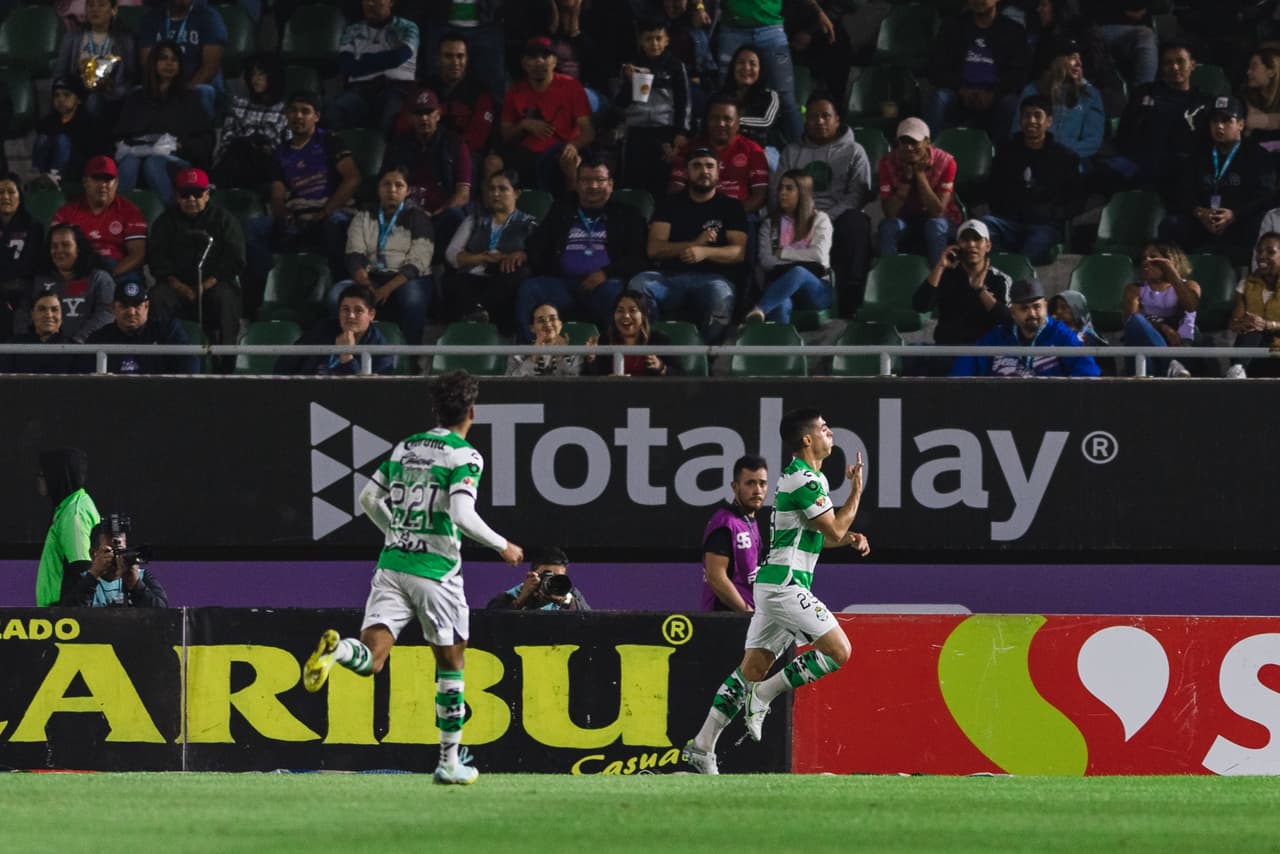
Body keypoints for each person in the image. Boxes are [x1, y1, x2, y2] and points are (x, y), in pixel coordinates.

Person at [303, 371, 525, 786]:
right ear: (471, 413)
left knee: (373, 659)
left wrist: (394, 532)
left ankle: (337, 653)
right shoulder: (465, 456)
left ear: (436, 410)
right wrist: (502, 545)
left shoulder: (407, 446)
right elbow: (461, 515)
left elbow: (368, 498)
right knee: (451, 662)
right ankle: (448, 761)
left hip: (392, 565)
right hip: (436, 574)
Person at [682, 409, 869, 774]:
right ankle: (765, 694)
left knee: (750, 668)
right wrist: (857, 492)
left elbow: (819, 538)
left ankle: (702, 746)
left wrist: (849, 539)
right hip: (785, 586)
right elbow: (831, 531)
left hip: (774, 584)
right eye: (824, 428)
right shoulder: (805, 481)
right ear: (806, 439)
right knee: (838, 651)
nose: (830, 431)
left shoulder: (810, 479)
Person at [244, 91, 361, 317]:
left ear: (316, 116)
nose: (298, 116)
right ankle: (266, 289)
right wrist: (282, 215)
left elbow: (353, 178)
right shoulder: (281, 152)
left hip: (331, 214)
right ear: (286, 115)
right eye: (293, 111)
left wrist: (326, 212)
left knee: (335, 224)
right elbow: (277, 194)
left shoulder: (329, 141)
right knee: (253, 229)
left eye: (305, 111)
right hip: (299, 217)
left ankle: (341, 291)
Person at [518, 159, 649, 341]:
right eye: (586, 180)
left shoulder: (628, 215)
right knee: (530, 288)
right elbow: (537, 244)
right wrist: (526, 254)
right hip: (562, 283)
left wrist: (605, 273)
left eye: (600, 180)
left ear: (610, 184)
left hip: (605, 284)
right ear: (578, 184)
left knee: (617, 293)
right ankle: (530, 355)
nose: (593, 186)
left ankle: (610, 356)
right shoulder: (561, 210)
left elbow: (638, 258)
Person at [631, 148, 746, 344]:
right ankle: (653, 346)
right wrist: (693, 244)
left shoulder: (731, 207)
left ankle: (703, 357)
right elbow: (654, 248)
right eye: (697, 166)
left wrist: (704, 251)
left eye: (710, 166)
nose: (704, 171)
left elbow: (738, 252)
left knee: (721, 295)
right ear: (686, 172)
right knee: (639, 284)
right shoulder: (670, 204)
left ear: (719, 171)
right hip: (670, 278)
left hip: (714, 279)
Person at [773, 92, 872, 312]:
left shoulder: (854, 151)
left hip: (837, 218)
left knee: (856, 222)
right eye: (813, 116)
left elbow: (857, 196)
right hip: (798, 217)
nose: (819, 121)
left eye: (825, 116)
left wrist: (823, 219)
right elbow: (778, 191)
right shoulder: (792, 152)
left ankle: (852, 295)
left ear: (837, 119)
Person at [146, 167, 245, 363]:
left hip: (214, 284)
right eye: (185, 195)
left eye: (197, 194)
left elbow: (236, 259)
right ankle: (161, 362)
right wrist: (180, 286)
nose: (191, 199)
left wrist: (205, 285)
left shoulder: (224, 219)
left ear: (207, 195)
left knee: (226, 299)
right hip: (176, 287)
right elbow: (157, 260)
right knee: (158, 297)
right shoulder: (165, 222)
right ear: (177, 196)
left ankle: (225, 365)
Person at [329, 165, 435, 346]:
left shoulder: (419, 218)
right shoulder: (363, 217)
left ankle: (411, 355)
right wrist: (365, 283)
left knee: (412, 300)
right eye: (386, 184)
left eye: (398, 185)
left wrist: (387, 289)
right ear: (378, 189)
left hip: (407, 278)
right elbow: (354, 254)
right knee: (336, 295)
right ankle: (344, 349)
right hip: (370, 277)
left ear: (407, 190)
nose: (392, 190)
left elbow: (419, 260)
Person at [1160, 96, 1275, 260]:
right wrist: (1199, 212)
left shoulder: (1258, 156)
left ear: (1241, 124)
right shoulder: (1198, 154)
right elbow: (1182, 192)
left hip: (1238, 222)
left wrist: (1234, 214)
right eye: (1215, 121)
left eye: (1227, 120)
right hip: (1203, 222)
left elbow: (1265, 197)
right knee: (1171, 225)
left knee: (1257, 227)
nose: (1219, 126)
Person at [112, 39, 215, 207]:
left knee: (154, 162)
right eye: (164, 58)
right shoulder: (137, 97)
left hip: (174, 159)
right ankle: (119, 216)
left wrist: (180, 145)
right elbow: (120, 135)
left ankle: (177, 212)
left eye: (174, 60)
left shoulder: (190, 98)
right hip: (137, 155)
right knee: (128, 163)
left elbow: (206, 142)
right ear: (154, 63)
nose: (169, 63)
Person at [982, 95, 1082, 265]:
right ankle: (994, 271)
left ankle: (1014, 279)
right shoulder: (1006, 153)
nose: (1031, 120)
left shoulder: (1065, 157)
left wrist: (1050, 213)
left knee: (1036, 244)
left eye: (1037, 115)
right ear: (1020, 120)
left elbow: (1075, 200)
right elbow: (993, 191)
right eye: (1026, 115)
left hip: (1044, 226)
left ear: (1049, 121)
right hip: (1009, 223)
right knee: (984, 226)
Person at [490, 37, 595, 193]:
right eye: (532, 57)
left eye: (545, 56)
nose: (539, 61)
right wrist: (524, 125)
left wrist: (573, 145)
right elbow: (506, 136)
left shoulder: (571, 86)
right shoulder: (514, 91)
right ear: (524, 63)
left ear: (554, 61)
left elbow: (588, 132)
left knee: (572, 161)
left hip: (560, 151)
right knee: (492, 162)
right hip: (525, 154)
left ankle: (571, 209)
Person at [442, 169, 537, 336]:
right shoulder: (475, 219)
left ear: (516, 193)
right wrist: (480, 257)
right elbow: (452, 254)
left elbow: (535, 255)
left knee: (520, 274)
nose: (496, 194)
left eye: (502, 189)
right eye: (492, 189)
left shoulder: (528, 224)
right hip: (472, 277)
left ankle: (481, 312)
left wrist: (521, 255)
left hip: (503, 281)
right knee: (454, 282)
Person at [1107, 40, 1211, 190]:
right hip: (1137, 164)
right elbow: (1125, 131)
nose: (1174, 67)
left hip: (1177, 172)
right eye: (1168, 63)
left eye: (1180, 61)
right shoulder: (1145, 93)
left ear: (1193, 65)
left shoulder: (1202, 102)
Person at [912, 219, 1013, 367]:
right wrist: (940, 266)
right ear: (957, 245)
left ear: (988, 245)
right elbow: (920, 305)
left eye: (977, 239)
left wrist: (980, 290)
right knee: (913, 354)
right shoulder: (945, 275)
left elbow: (1006, 321)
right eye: (965, 240)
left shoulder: (1000, 279)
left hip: (984, 352)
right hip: (947, 350)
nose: (971, 245)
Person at [383, 88, 471, 258]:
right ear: (409, 117)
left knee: (455, 215)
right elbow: (386, 185)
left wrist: (436, 214)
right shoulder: (398, 145)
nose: (424, 118)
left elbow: (463, 194)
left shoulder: (454, 143)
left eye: (429, 112)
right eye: (418, 113)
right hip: (406, 213)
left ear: (438, 114)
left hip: (440, 215)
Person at [951, 278, 1102, 377]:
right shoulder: (998, 336)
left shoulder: (1062, 336)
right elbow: (962, 373)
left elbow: (1088, 377)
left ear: (1045, 306)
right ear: (1013, 312)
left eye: (1037, 307)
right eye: (1024, 308)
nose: (1032, 313)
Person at [923, 0, 1029, 140]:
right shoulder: (952, 26)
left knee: (1011, 104)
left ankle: (1003, 155)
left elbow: (1019, 74)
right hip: (959, 93)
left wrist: (994, 93)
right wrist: (961, 89)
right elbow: (935, 68)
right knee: (940, 98)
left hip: (996, 96)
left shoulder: (1013, 30)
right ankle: (930, 154)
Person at [716, 0, 818, 141]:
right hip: (732, 29)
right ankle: (720, 154)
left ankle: (802, 155)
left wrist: (820, 13)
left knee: (786, 97)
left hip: (771, 30)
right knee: (725, 94)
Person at [616, 19, 693, 198]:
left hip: (663, 130)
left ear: (667, 40)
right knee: (634, 180)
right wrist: (630, 82)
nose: (654, 44)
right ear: (641, 41)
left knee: (661, 181)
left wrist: (681, 131)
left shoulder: (675, 66)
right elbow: (621, 103)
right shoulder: (631, 65)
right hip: (637, 130)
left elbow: (684, 101)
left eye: (659, 38)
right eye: (649, 39)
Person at [744, 170, 832, 325]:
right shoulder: (770, 224)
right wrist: (802, 257)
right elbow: (766, 261)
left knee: (798, 272)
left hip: (815, 289)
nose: (782, 193)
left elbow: (818, 256)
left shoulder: (820, 220)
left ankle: (759, 310)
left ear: (803, 192)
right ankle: (783, 347)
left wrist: (783, 253)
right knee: (780, 305)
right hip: (779, 286)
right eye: (780, 188)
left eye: (789, 188)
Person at [878, 117, 963, 266]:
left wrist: (920, 175)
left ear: (927, 142)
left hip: (943, 220)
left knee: (934, 225)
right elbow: (890, 213)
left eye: (914, 142)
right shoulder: (886, 163)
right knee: (888, 226)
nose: (909, 147)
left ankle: (939, 281)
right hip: (906, 219)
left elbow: (937, 212)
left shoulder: (947, 162)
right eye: (904, 142)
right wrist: (906, 179)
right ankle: (889, 277)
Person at [52, 155, 148, 286]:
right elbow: (56, 250)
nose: (103, 185)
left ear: (117, 183)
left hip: (117, 270)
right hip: (79, 268)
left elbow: (137, 253)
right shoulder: (66, 213)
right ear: (85, 182)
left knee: (132, 286)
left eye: (108, 179)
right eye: (97, 179)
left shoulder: (130, 211)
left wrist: (106, 277)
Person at [669, 95, 769, 216]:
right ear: (706, 121)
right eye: (714, 118)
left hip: (738, 215)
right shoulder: (689, 148)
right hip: (695, 215)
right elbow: (675, 189)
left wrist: (728, 216)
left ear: (737, 124)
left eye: (727, 119)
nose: (721, 124)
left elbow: (759, 197)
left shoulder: (753, 150)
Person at [331, 0, 419, 134]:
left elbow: (398, 58)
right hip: (360, 91)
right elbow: (347, 66)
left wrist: (362, 60)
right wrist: (385, 58)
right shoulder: (352, 29)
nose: (370, 4)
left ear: (391, 2)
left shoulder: (407, 27)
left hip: (395, 89)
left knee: (389, 112)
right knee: (336, 109)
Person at [274, 283, 395, 376]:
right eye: (345, 309)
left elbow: (366, 395)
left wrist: (347, 357)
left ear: (371, 314)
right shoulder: (322, 329)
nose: (351, 316)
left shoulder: (380, 350)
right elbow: (284, 366)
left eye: (358, 310)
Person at [1016, 38, 1106, 162]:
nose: (1079, 64)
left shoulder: (1090, 94)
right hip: (1033, 158)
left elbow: (1092, 141)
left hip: (1071, 160)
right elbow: (1018, 130)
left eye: (1080, 59)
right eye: (1073, 58)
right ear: (1057, 61)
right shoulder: (1032, 90)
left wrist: (1061, 155)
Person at [81, 280, 199, 375]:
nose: (131, 312)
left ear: (147, 306)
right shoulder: (99, 338)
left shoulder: (168, 331)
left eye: (137, 305)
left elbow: (189, 370)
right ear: (113, 308)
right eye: (124, 305)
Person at [700, 453, 769, 613]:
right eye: (750, 483)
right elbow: (715, 577)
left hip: (745, 618)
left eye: (762, 483)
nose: (757, 490)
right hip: (724, 620)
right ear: (735, 486)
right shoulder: (725, 523)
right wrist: (746, 612)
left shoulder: (749, 522)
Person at [414, 32, 497, 165]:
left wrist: (448, 152)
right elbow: (407, 123)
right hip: (426, 151)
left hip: (466, 156)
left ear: (467, 58)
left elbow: (478, 136)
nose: (455, 62)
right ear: (438, 58)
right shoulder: (424, 88)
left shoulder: (481, 92)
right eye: (448, 56)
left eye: (460, 56)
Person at [1121, 241, 1201, 377]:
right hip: (1144, 353)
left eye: (1153, 257)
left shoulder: (1190, 286)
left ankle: (1173, 365)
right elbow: (1131, 321)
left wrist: (1171, 273)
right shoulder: (1134, 289)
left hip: (1179, 347)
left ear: (1170, 261)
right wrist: (1163, 327)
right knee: (1136, 321)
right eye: (1144, 258)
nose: (1146, 261)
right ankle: (1170, 363)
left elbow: (1191, 306)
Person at [137, 0, 227, 119]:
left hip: (197, 85)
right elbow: (147, 63)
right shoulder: (151, 18)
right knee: (137, 93)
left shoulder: (208, 17)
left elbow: (210, 67)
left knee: (204, 92)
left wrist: (181, 92)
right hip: (161, 83)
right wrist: (162, 88)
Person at [211, 55, 289, 190]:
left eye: (261, 75)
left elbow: (289, 145)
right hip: (239, 157)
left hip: (267, 162)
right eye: (253, 74)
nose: (256, 79)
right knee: (240, 147)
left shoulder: (285, 110)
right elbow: (227, 139)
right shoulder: (239, 104)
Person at [35, 448, 100, 607]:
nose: (39, 480)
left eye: (43, 475)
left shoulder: (74, 514)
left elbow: (82, 569)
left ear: (58, 477)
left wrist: (69, 614)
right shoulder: (67, 508)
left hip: (65, 616)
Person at [53, 0, 139, 121]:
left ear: (113, 10)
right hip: (77, 97)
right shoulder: (72, 38)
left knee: (95, 100)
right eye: (91, 5)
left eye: (101, 5)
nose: (95, 9)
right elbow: (60, 75)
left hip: (114, 100)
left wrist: (113, 89)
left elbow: (132, 80)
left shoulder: (126, 41)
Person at [30, 223, 115, 344]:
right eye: (54, 246)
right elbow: (25, 314)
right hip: (44, 349)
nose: (59, 250)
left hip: (87, 351)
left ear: (78, 248)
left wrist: (77, 341)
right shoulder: (40, 281)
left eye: (65, 245)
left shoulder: (99, 279)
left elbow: (106, 314)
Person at [62, 518, 168, 607]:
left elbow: (163, 614)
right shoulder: (79, 577)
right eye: (108, 551)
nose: (116, 557)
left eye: (121, 550)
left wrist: (135, 584)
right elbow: (65, 615)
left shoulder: (142, 576)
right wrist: (93, 575)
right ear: (93, 553)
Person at [583, 289, 681, 376]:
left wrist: (661, 367)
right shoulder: (603, 341)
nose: (626, 316)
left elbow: (681, 376)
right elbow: (587, 381)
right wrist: (591, 359)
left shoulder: (660, 341)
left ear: (643, 315)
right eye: (620, 311)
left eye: (632, 310)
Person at [33, 77, 107, 184]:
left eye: (66, 95)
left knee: (62, 139)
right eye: (57, 95)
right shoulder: (47, 122)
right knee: (42, 139)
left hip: (75, 173)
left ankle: (55, 179)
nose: (61, 99)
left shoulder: (89, 123)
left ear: (79, 99)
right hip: (47, 170)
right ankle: (39, 178)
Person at [1228, 231, 1280, 378]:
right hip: (1257, 353)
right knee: (1252, 327)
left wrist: (1268, 325)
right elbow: (1235, 322)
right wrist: (1242, 324)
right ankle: (1238, 370)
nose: (1261, 256)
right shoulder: (1246, 284)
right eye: (1259, 251)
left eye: (1270, 252)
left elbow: (1265, 325)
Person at [0, 174, 45, 336]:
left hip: (23, 290)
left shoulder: (33, 226)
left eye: (11, 192)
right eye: (0, 192)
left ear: (20, 195)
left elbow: (31, 264)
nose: (5, 196)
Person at [485, 546, 590, 611]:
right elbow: (490, 623)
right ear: (532, 575)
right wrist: (521, 600)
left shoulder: (571, 594)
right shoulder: (513, 595)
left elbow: (590, 622)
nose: (551, 581)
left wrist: (565, 602)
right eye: (546, 575)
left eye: (557, 577)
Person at [720, 45, 780, 155]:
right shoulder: (721, 95)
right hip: (725, 149)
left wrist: (733, 122)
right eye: (741, 62)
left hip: (759, 150)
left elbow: (766, 121)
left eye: (752, 64)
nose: (746, 68)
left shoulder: (770, 95)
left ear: (761, 68)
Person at [2, 292, 74, 374]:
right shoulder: (13, 346)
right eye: (42, 309)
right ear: (32, 314)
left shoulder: (75, 349)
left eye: (55, 310)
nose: (49, 315)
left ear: (61, 316)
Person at [507, 303, 584, 376]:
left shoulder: (575, 353)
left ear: (560, 324)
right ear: (532, 328)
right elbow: (509, 384)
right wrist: (533, 359)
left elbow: (576, 383)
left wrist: (562, 355)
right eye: (540, 321)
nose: (547, 324)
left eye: (552, 319)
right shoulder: (517, 354)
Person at [1243, 49, 1280, 144]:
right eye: (1248, 67)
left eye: (1254, 67)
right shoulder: (1246, 97)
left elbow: (1252, 121)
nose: (1248, 72)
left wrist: (1263, 120)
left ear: (1271, 72)